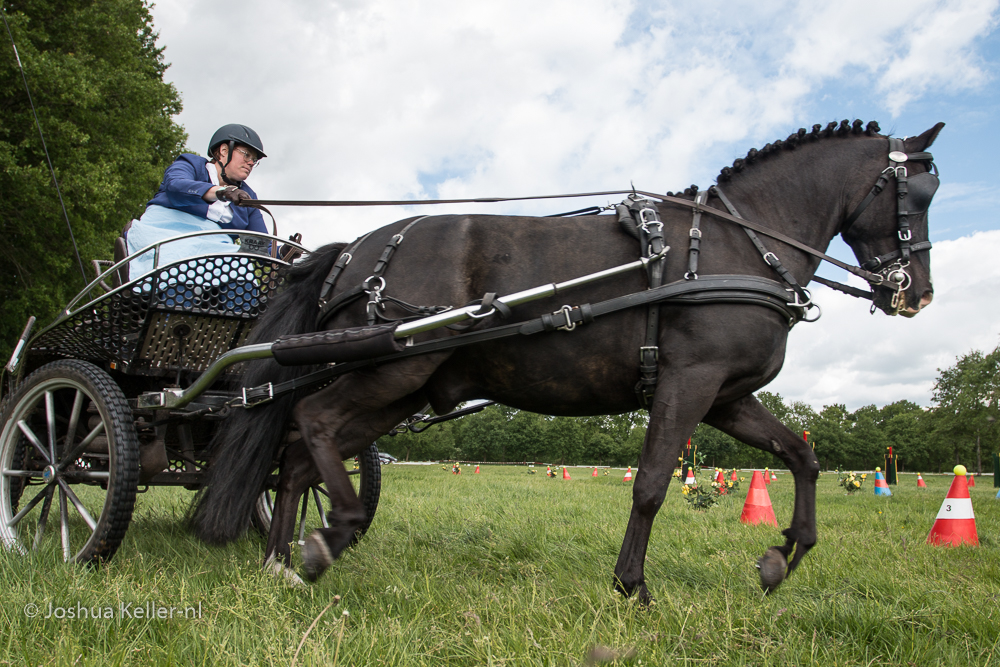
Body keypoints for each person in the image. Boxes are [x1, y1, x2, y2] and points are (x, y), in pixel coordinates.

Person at [126, 124, 269, 276]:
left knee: (240, 272)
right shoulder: (192, 164)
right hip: (166, 239)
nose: (251, 163)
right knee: (186, 271)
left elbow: (262, 247)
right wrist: (222, 192)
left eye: (254, 160)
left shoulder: (248, 196)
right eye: (246, 155)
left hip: (215, 256)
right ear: (224, 150)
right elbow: (175, 185)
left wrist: (284, 252)